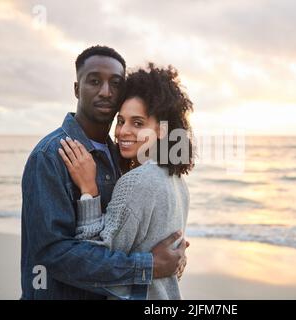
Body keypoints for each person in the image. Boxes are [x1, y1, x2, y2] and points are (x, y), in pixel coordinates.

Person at [21, 46, 188, 300]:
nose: (106, 92)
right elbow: (53, 254)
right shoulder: (51, 155)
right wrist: (150, 266)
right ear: (77, 89)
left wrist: (173, 257)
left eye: (116, 83)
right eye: (94, 81)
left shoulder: (120, 157)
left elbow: (132, 238)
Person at [58, 63, 194, 299]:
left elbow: (95, 259)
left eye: (138, 123)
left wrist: (89, 190)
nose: (123, 131)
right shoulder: (177, 181)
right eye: (121, 121)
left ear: (161, 130)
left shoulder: (136, 182)